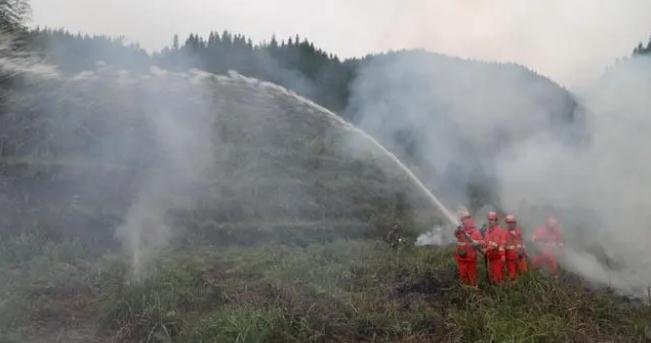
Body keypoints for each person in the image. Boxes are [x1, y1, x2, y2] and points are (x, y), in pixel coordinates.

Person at [454, 211, 483, 287]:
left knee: (472, 279)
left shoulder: (475, 232)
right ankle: (465, 293)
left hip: (470, 260)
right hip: (461, 259)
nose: (463, 221)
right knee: (463, 278)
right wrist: (458, 230)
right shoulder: (460, 232)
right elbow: (456, 234)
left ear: (469, 220)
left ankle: (474, 292)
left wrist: (476, 242)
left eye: (465, 219)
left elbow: (482, 242)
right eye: (462, 220)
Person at [483, 211, 506, 284]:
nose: (490, 221)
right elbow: (485, 242)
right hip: (491, 259)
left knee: (498, 279)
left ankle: (501, 293)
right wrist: (479, 244)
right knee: (492, 278)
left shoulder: (498, 231)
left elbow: (495, 244)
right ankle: (494, 292)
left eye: (492, 220)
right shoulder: (487, 231)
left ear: (496, 221)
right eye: (489, 220)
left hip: (498, 259)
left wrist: (486, 250)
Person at [504, 214, 527, 282]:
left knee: (524, 273)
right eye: (509, 223)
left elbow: (522, 243)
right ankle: (515, 288)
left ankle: (523, 287)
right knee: (512, 276)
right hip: (511, 259)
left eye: (512, 223)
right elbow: (503, 247)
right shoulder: (505, 234)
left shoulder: (519, 232)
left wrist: (524, 253)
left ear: (515, 223)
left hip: (520, 257)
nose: (510, 224)